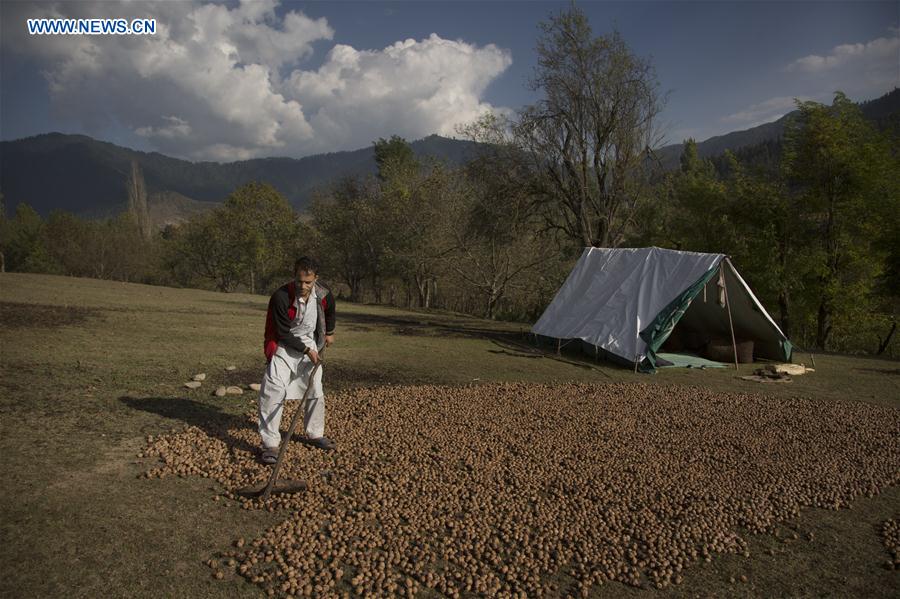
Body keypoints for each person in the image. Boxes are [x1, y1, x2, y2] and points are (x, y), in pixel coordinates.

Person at [258, 256, 336, 463]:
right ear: (294, 277)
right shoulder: (281, 296)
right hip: (284, 345)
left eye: (308, 282)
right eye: (299, 280)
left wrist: (329, 332)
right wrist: (305, 350)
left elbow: (330, 311)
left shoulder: (323, 293)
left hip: (310, 344)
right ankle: (270, 445)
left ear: (316, 279)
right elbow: (282, 332)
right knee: (273, 390)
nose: (303, 286)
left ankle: (315, 433)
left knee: (315, 390)